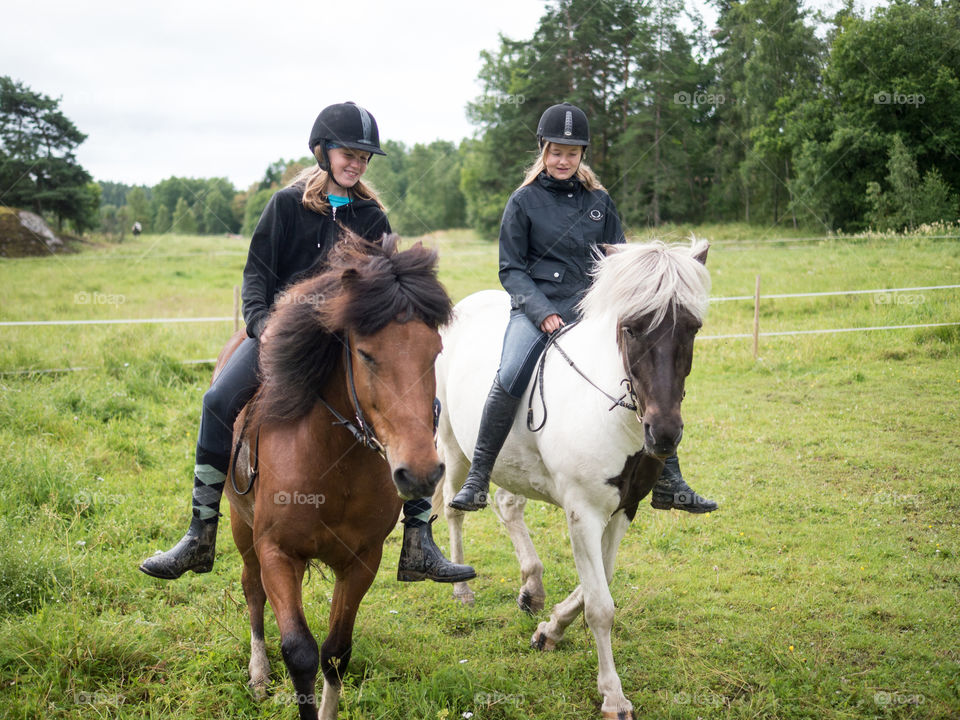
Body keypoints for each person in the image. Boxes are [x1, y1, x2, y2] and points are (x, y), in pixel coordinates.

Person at [140, 102, 475, 584]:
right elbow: (256, 276)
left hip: (346, 347)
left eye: (364, 157)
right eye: (348, 153)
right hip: (287, 339)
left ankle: (420, 538)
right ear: (323, 151)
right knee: (217, 400)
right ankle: (200, 531)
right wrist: (261, 325)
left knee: (427, 406)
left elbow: (386, 286)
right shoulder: (285, 205)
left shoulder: (371, 215)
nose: (356, 163)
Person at [449, 102, 717, 515]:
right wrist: (541, 311)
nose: (563, 160)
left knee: (646, 370)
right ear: (543, 151)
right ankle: (479, 474)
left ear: (582, 156)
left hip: (593, 311)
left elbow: (620, 258)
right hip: (536, 311)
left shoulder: (599, 201)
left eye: (571, 153)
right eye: (556, 152)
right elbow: (511, 269)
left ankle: (669, 479)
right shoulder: (522, 202)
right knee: (510, 371)